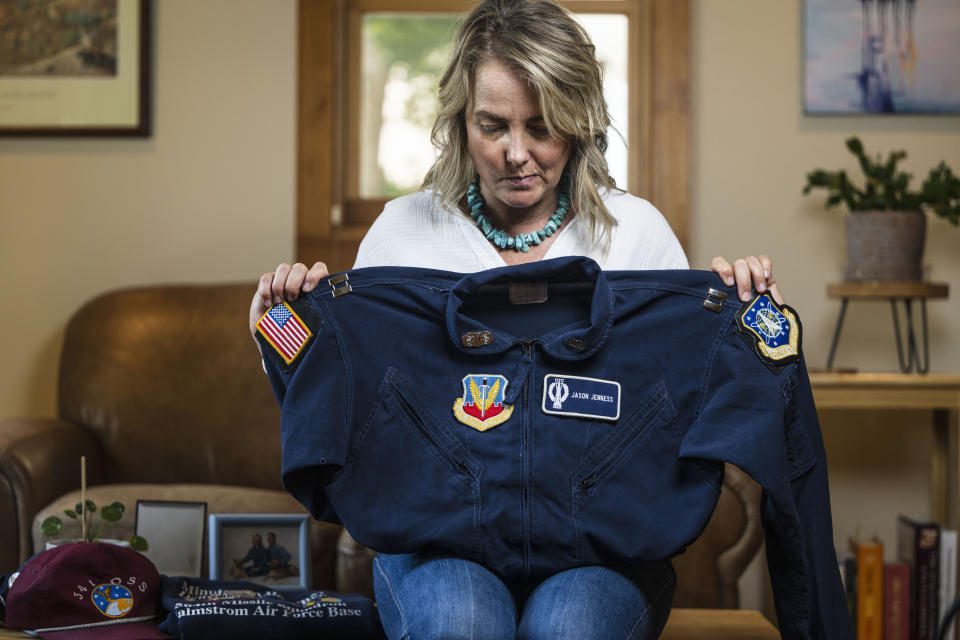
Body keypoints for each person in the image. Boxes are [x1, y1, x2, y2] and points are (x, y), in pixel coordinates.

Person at [250, 1, 782, 637]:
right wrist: (283, 329)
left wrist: (745, 322)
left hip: (603, 546)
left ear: (580, 123)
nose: (515, 153)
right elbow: (354, 398)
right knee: (459, 628)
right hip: (438, 541)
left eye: (542, 126)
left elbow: (686, 407)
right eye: (492, 125)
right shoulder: (402, 234)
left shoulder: (636, 233)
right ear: (459, 121)